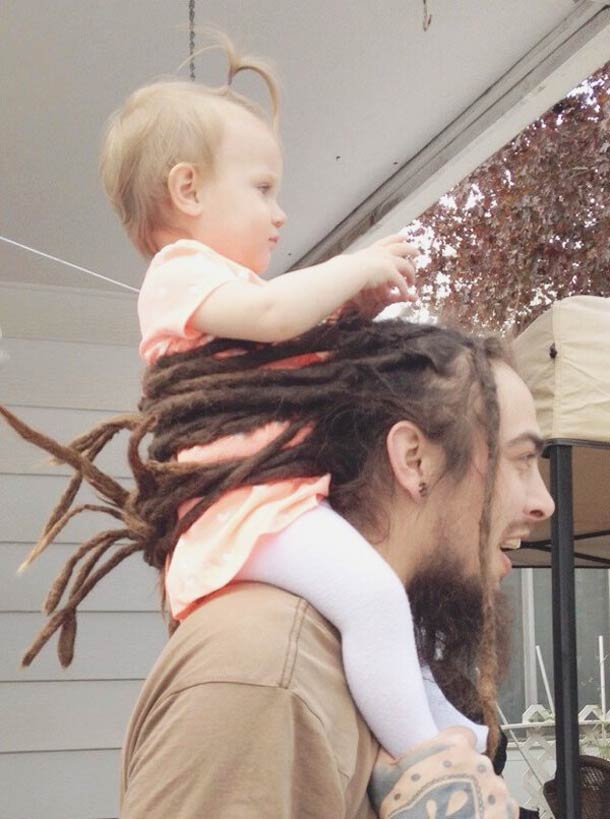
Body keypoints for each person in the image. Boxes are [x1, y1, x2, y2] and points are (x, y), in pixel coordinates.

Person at [0, 316, 553, 816]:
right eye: (522, 461)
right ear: (414, 460)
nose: (543, 503)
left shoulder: (360, 658)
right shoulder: (267, 675)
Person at [93, 35, 451, 761]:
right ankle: (427, 767)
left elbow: (294, 343)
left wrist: (354, 310)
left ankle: (456, 732)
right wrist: (353, 264)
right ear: (188, 190)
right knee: (375, 599)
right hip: (244, 514)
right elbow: (275, 319)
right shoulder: (179, 269)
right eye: (261, 189)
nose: (280, 213)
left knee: (391, 602)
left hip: (274, 506)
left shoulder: (230, 294)